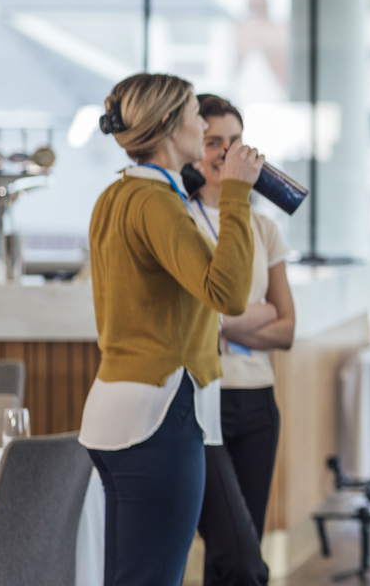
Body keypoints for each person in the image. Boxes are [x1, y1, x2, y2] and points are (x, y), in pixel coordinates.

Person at [82, 74, 263, 586]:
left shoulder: (113, 197)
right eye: (193, 113)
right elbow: (226, 293)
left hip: (112, 409)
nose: (203, 124)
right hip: (157, 414)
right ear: (167, 125)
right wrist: (236, 197)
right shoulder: (157, 203)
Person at [189, 95, 295, 586]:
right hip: (200, 400)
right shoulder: (181, 219)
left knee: (238, 547)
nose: (226, 155)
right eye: (214, 142)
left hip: (256, 403)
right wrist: (253, 316)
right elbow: (191, 322)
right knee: (236, 552)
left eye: (234, 143)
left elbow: (287, 328)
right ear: (194, 147)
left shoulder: (263, 227)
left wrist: (222, 321)